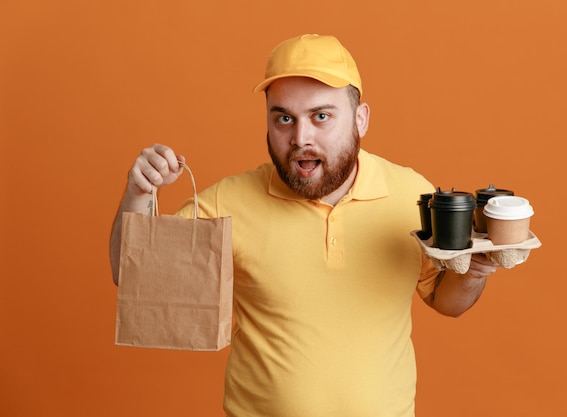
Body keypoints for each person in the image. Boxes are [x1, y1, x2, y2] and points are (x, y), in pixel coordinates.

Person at [109, 34, 498, 417]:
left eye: (321, 116)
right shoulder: (227, 203)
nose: (300, 138)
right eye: (284, 118)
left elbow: (446, 301)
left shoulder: (411, 194)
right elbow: (134, 275)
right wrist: (139, 191)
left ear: (360, 119)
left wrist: (473, 273)